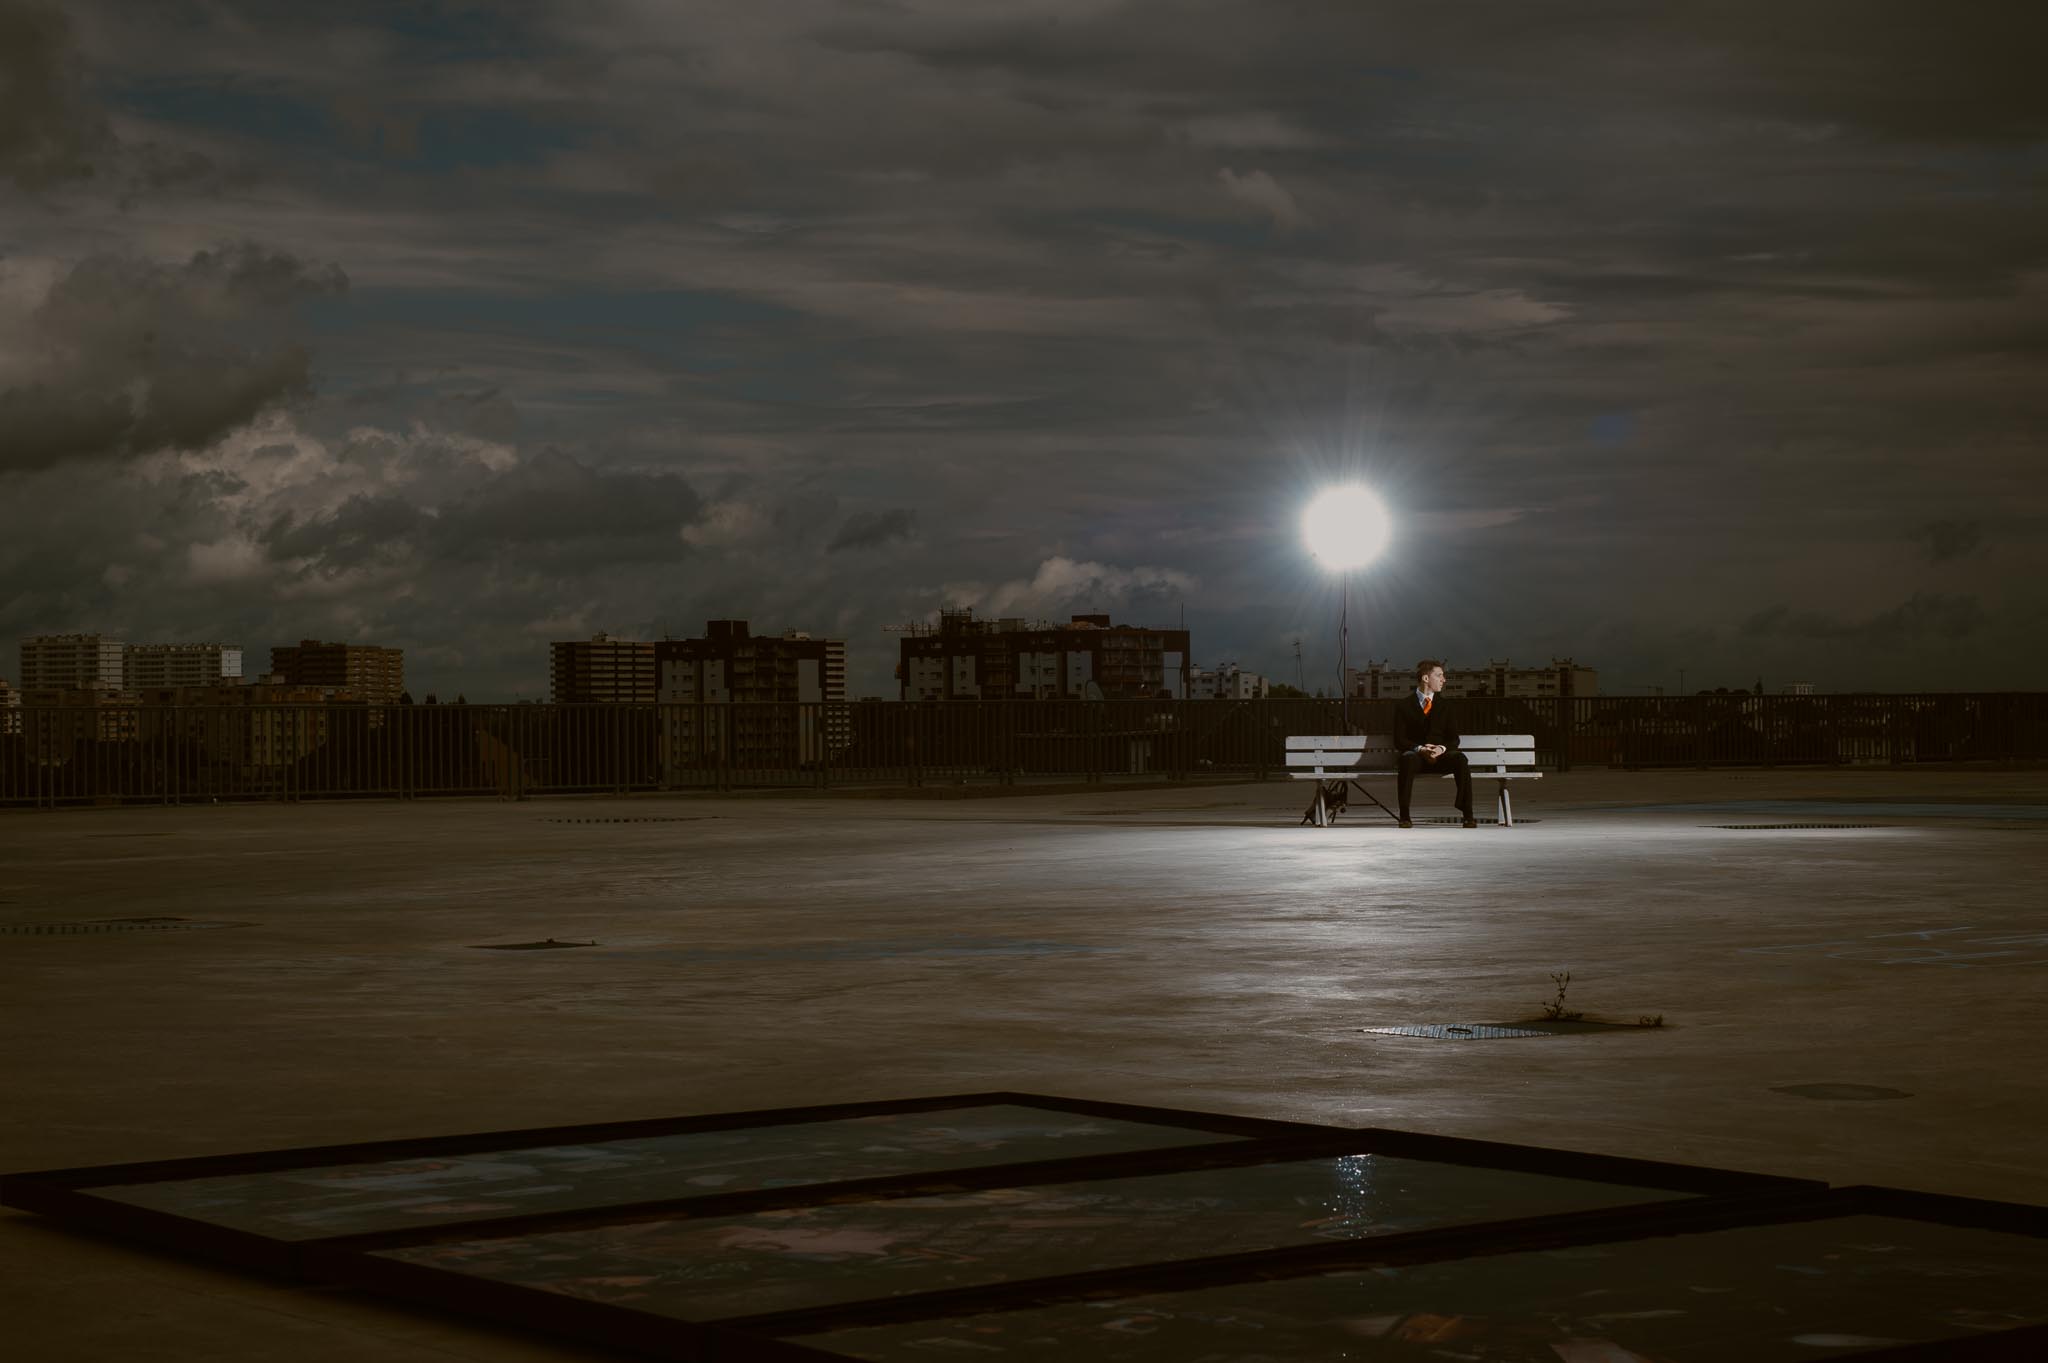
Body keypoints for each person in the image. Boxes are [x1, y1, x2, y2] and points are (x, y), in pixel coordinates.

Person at [1392, 659, 1475, 828]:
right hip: (1416, 758)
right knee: (1407, 760)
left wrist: (1440, 748)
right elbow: (1399, 739)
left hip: (1441, 757)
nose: (1444, 680)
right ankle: (1405, 816)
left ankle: (1468, 813)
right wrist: (1421, 748)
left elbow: (1454, 739)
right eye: (1439, 676)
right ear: (1425, 679)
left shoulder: (1446, 706)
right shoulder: (1403, 706)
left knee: (1461, 759)